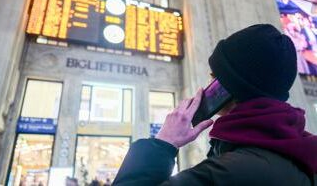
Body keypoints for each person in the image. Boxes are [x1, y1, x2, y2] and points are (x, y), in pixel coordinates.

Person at [112, 24, 317, 185]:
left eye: (214, 78)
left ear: (230, 87)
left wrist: (163, 143)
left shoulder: (231, 173)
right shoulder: (299, 150)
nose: (209, 86)